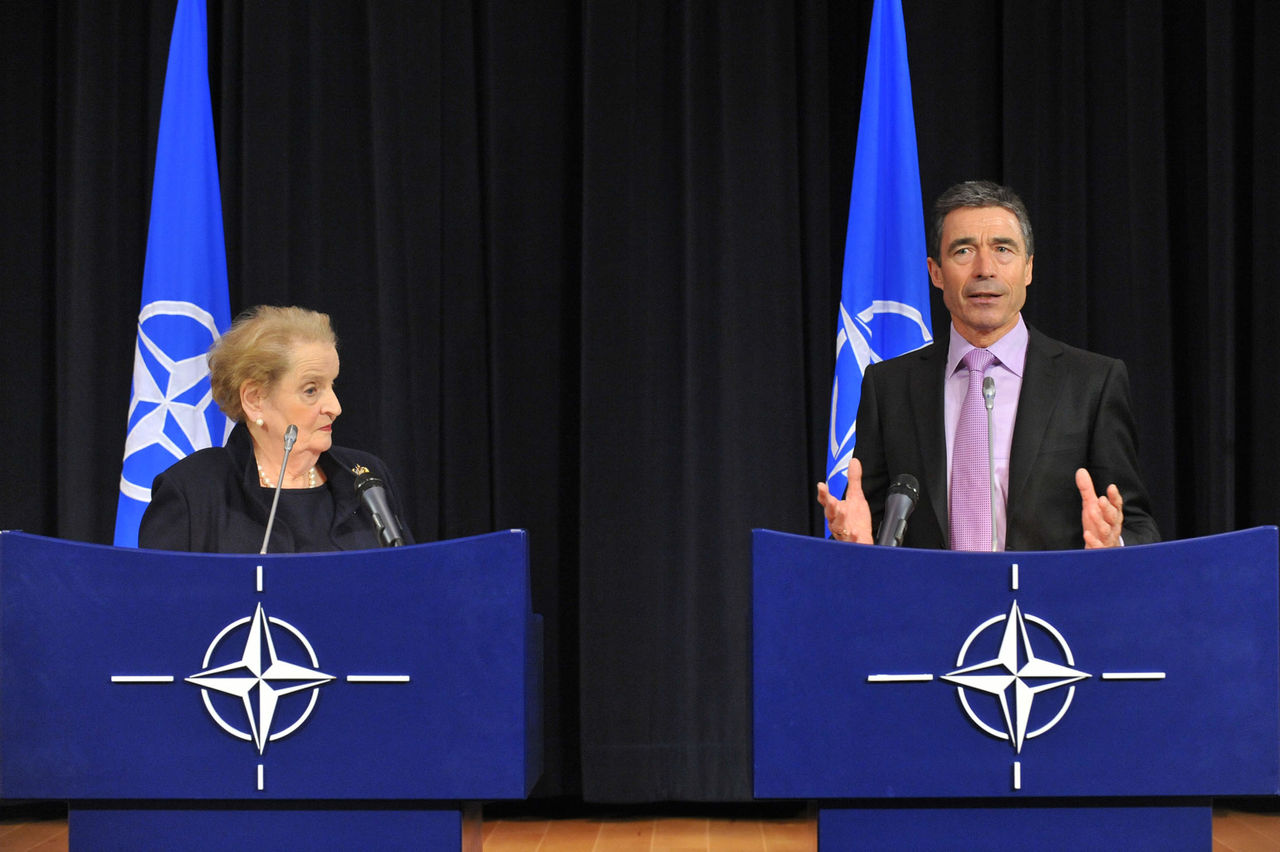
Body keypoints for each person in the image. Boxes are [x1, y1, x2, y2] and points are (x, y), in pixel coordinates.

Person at [817, 180, 1159, 551]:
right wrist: (856, 543)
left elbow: (1138, 523)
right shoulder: (888, 387)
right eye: (963, 251)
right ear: (936, 272)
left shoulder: (1093, 383)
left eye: (1002, 249)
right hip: (932, 605)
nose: (984, 268)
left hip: (1044, 606)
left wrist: (1115, 543)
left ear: (1028, 268)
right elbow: (870, 519)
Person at [139, 305, 412, 553]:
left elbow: (411, 587)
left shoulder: (365, 478)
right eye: (311, 390)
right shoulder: (192, 491)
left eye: (332, 385)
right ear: (255, 400)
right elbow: (162, 603)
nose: (335, 406)